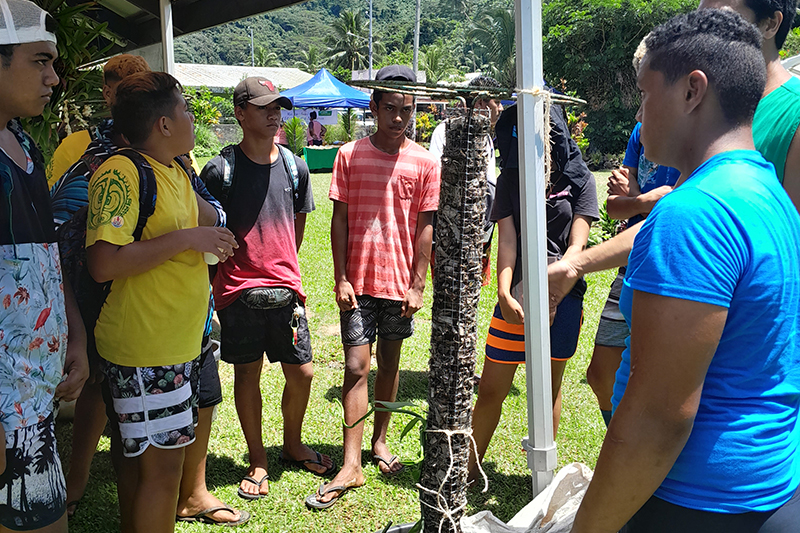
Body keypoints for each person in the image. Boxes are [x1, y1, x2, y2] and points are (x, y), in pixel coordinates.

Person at [572, 10, 800, 532]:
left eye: (645, 93)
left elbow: (658, 416)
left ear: (692, 91)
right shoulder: (768, 190)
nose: (639, 112)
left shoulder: (693, 213)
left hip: (691, 499)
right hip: (765, 485)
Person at [548, 0, 800, 315]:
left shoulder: (793, 114)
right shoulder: (704, 118)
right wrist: (577, 264)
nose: (701, 30)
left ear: (770, 24)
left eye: (719, 18)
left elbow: (785, 250)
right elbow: (672, 213)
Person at [86, 71, 238, 533]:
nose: (194, 117)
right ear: (163, 125)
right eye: (186, 109)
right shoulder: (122, 172)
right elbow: (103, 263)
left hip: (174, 345)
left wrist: (201, 225)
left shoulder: (173, 169)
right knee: (164, 473)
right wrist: (188, 238)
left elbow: (212, 216)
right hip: (145, 348)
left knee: (141, 466)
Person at [305, 65, 440, 510]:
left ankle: (379, 441)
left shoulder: (424, 162)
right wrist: (341, 276)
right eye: (391, 108)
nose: (400, 118)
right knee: (356, 366)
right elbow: (338, 221)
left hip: (400, 284)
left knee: (390, 363)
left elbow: (425, 229)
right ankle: (351, 462)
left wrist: (418, 284)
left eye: (408, 109)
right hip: (358, 282)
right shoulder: (349, 155)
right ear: (374, 107)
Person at [201, 77, 331, 502]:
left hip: (286, 294)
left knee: (304, 372)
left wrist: (281, 270)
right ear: (240, 113)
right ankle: (258, 458)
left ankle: (291, 445)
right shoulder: (220, 171)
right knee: (247, 374)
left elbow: (297, 227)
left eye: (277, 106)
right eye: (263, 107)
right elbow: (208, 234)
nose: (274, 114)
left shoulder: (296, 166)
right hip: (238, 295)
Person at [466, 101, 598, 481]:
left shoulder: (581, 180)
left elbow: (578, 248)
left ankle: (542, 473)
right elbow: (508, 240)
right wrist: (505, 294)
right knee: (492, 387)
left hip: (565, 297)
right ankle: (470, 468)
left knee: (549, 389)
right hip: (517, 299)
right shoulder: (510, 178)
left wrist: (554, 293)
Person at [0, 2, 90, 531]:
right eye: (40, 61)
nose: (53, 77)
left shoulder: (28, 147)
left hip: (36, 398)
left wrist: (74, 335)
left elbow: (48, 262)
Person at [588, 37, 681, 428]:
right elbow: (614, 207)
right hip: (629, 262)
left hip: (667, 268)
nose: (641, 112)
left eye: (648, 92)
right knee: (600, 373)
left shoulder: (689, 142)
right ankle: (621, 442)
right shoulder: (638, 134)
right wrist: (647, 199)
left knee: (652, 379)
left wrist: (639, 199)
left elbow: (679, 209)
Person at [429, 75, 503, 286]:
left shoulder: (486, 137)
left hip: (479, 228)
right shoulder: (447, 131)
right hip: (451, 227)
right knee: (449, 286)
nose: (500, 108)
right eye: (496, 102)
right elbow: (437, 178)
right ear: (480, 102)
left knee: (471, 288)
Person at [47, 54, 150, 188]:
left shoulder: (160, 147)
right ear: (107, 93)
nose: (136, 101)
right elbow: (48, 201)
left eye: (144, 93)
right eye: (127, 93)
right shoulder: (74, 146)